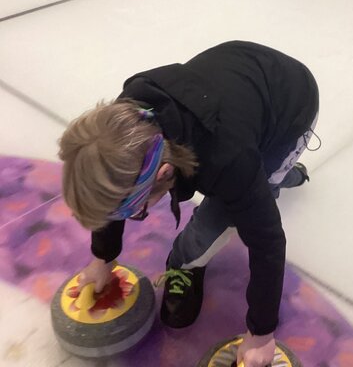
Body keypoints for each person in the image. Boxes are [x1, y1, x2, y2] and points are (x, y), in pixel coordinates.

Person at [59, 41, 319, 367]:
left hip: (291, 104)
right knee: (247, 183)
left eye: (133, 211)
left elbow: (267, 241)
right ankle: (263, 181)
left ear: (164, 173)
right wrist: (103, 257)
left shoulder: (228, 160)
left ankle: (270, 180)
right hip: (236, 91)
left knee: (240, 202)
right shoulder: (125, 123)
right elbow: (113, 188)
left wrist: (261, 333)